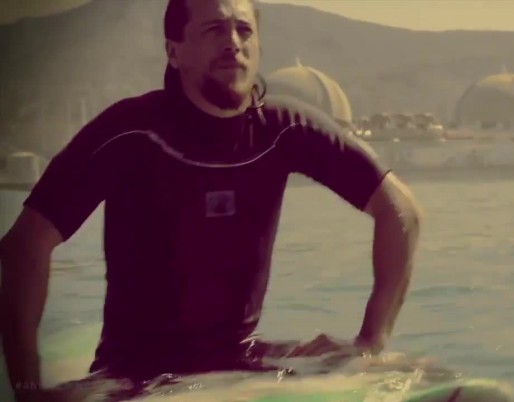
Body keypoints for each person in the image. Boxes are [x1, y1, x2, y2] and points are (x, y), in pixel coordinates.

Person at [0, 0, 423, 400]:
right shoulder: (130, 132)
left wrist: (370, 340)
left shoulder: (284, 129)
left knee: (415, 375)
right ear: (174, 51)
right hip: (135, 377)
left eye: (244, 30)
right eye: (215, 29)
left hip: (239, 362)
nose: (233, 42)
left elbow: (401, 211)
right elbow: (25, 245)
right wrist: (27, 388)